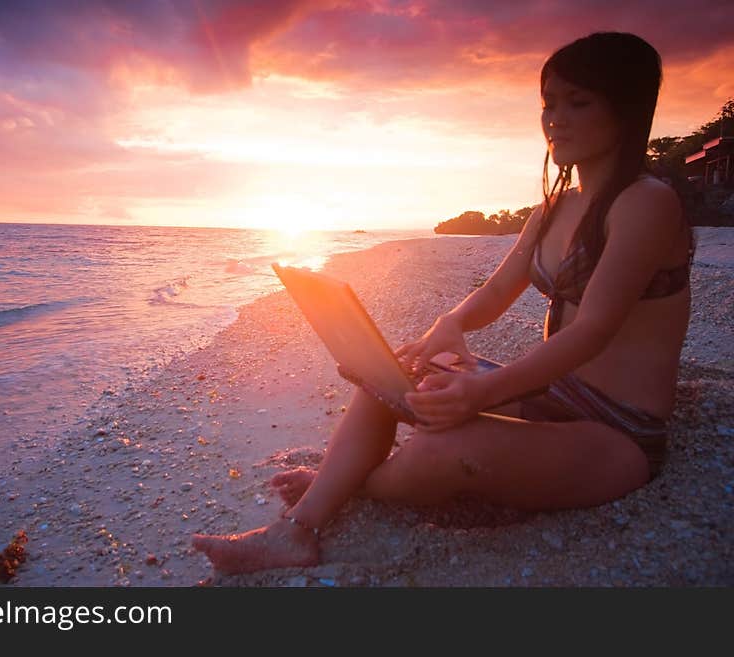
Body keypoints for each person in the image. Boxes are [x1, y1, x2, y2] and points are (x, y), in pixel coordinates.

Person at [192, 32, 694, 575]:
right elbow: (498, 292)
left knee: (439, 451)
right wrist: (448, 325)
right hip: (555, 396)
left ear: (625, 107)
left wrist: (480, 391)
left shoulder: (647, 203)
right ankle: (301, 527)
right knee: (395, 373)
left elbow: (592, 328)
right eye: (548, 103)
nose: (556, 119)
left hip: (618, 434)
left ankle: (348, 481)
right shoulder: (554, 208)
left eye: (578, 102)